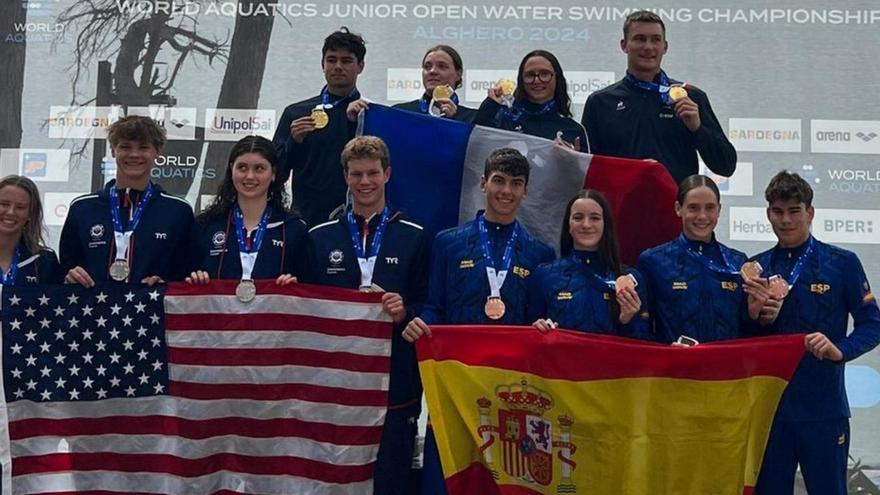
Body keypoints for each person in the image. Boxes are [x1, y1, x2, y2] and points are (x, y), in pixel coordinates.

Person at [402, 147, 555, 495]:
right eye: (499, 181)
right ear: (483, 183)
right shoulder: (448, 244)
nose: (506, 191)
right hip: (456, 383)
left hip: (512, 390)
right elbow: (434, 307)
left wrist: (543, 329)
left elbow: (536, 321)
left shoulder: (539, 253)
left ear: (526, 191)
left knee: (508, 476)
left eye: (516, 183)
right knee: (447, 472)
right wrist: (420, 323)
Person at [303, 136, 428, 495]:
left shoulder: (415, 236)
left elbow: (428, 303)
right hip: (335, 382)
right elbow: (306, 307)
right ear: (345, 177)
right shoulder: (319, 237)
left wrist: (405, 310)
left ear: (387, 174)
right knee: (334, 475)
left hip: (396, 381)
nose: (365, 182)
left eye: (373, 173)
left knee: (392, 478)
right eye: (357, 174)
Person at [746, 171, 880, 495]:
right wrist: (754, 317)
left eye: (794, 210)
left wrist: (841, 349)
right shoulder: (755, 268)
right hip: (771, 413)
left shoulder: (842, 263)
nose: (786, 219)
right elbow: (742, 342)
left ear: (810, 212)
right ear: (768, 214)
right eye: (778, 211)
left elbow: (873, 323)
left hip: (824, 410)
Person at [581, 10, 736, 185]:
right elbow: (587, 171)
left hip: (675, 208)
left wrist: (698, 129)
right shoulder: (601, 102)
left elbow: (726, 166)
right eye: (639, 39)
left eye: (655, 39)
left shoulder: (690, 97)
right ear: (624, 45)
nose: (648, 47)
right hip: (620, 209)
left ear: (665, 46)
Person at [60, 115, 194, 287]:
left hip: (152, 311)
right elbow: (64, 269)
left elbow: (187, 273)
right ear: (113, 150)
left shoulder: (177, 211)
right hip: (92, 310)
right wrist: (69, 276)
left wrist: (167, 283)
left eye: (143, 147)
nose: (134, 154)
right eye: (125, 147)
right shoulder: (83, 208)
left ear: (157, 152)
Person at [272, 27, 366, 227]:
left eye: (346, 60)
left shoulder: (370, 116)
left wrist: (354, 125)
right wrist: (294, 142)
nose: (338, 66)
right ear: (322, 65)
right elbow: (274, 175)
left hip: (358, 221)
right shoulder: (296, 113)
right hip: (306, 220)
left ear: (360, 66)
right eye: (332, 60)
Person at [637, 174, 748, 344]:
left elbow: (748, 329)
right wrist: (663, 352)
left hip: (725, 368)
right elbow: (641, 328)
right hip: (672, 368)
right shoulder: (653, 261)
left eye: (710, 208)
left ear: (719, 209)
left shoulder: (738, 262)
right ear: (678, 208)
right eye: (693, 208)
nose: (702, 216)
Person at [528, 189, 650, 338]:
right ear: (569, 224)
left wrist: (627, 321)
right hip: (562, 361)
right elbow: (528, 334)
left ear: (606, 225)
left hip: (612, 361)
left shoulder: (631, 280)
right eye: (578, 217)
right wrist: (538, 329)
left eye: (595, 218)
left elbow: (646, 346)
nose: (586, 225)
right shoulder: (545, 275)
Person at [187, 136, 307, 287]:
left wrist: (296, 286)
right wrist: (194, 278)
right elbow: (181, 280)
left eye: (259, 168)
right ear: (232, 170)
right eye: (242, 168)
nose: (250, 176)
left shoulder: (294, 229)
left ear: (273, 174)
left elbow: (310, 291)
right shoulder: (206, 225)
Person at [474, 49, 588, 150]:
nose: (537, 80)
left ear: (557, 78)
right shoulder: (505, 120)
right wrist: (490, 105)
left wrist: (574, 161)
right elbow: (474, 144)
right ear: (521, 80)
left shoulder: (574, 129)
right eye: (530, 75)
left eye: (545, 74)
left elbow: (584, 172)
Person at [347, 45, 476, 123]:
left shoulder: (472, 119)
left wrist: (454, 123)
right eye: (427, 66)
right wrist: (355, 121)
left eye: (442, 66)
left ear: (458, 74)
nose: (432, 71)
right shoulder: (400, 112)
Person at [0, 175, 59, 285]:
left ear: (30, 214)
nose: (10, 212)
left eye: (20, 207)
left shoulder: (45, 260)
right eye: (4, 204)